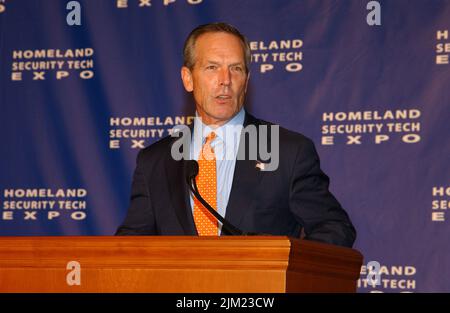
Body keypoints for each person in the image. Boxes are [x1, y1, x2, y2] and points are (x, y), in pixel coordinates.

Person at [115, 22, 356, 247]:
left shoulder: (287, 152)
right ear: (188, 79)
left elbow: (335, 229)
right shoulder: (155, 161)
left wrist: (282, 269)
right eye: (212, 67)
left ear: (247, 80)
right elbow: (129, 246)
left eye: (236, 69)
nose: (225, 80)